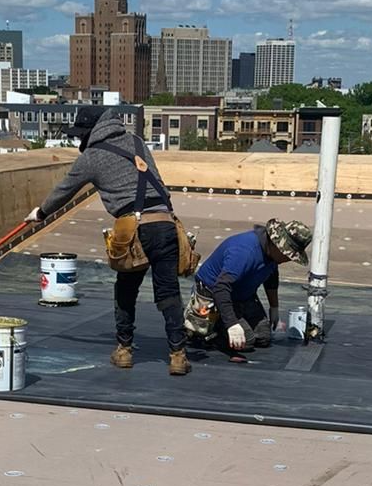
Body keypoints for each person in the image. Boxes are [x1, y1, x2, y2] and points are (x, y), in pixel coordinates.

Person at [25, 106, 192, 376]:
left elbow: (64, 190)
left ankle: (124, 351)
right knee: (168, 290)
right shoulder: (137, 142)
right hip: (165, 222)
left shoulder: (91, 157)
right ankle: (177, 355)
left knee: (126, 289)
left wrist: (41, 212)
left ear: (90, 132)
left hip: (132, 228)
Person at [186, 219, 312, 357]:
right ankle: (211, 331)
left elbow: (271, 276)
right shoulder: (244, 252)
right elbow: (221, 288)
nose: (288, 259)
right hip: (214, 295)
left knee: (263, 336)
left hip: (242, 294)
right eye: (288, 255)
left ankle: (231, 322)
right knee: (245, 342)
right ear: (276, 244)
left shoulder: (272, 254)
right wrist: (232, 324)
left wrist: (274, 307)